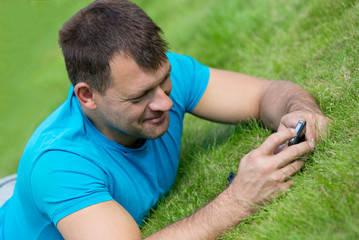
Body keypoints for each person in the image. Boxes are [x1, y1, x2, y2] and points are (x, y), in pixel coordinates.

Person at [0, 0, 330, 239]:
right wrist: (239, 199)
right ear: (87, 96)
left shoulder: (156, 77)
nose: (165, 102)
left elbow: (265, 95)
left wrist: (301, 110)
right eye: (139, 96)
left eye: (164, 79)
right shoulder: (60, 165)